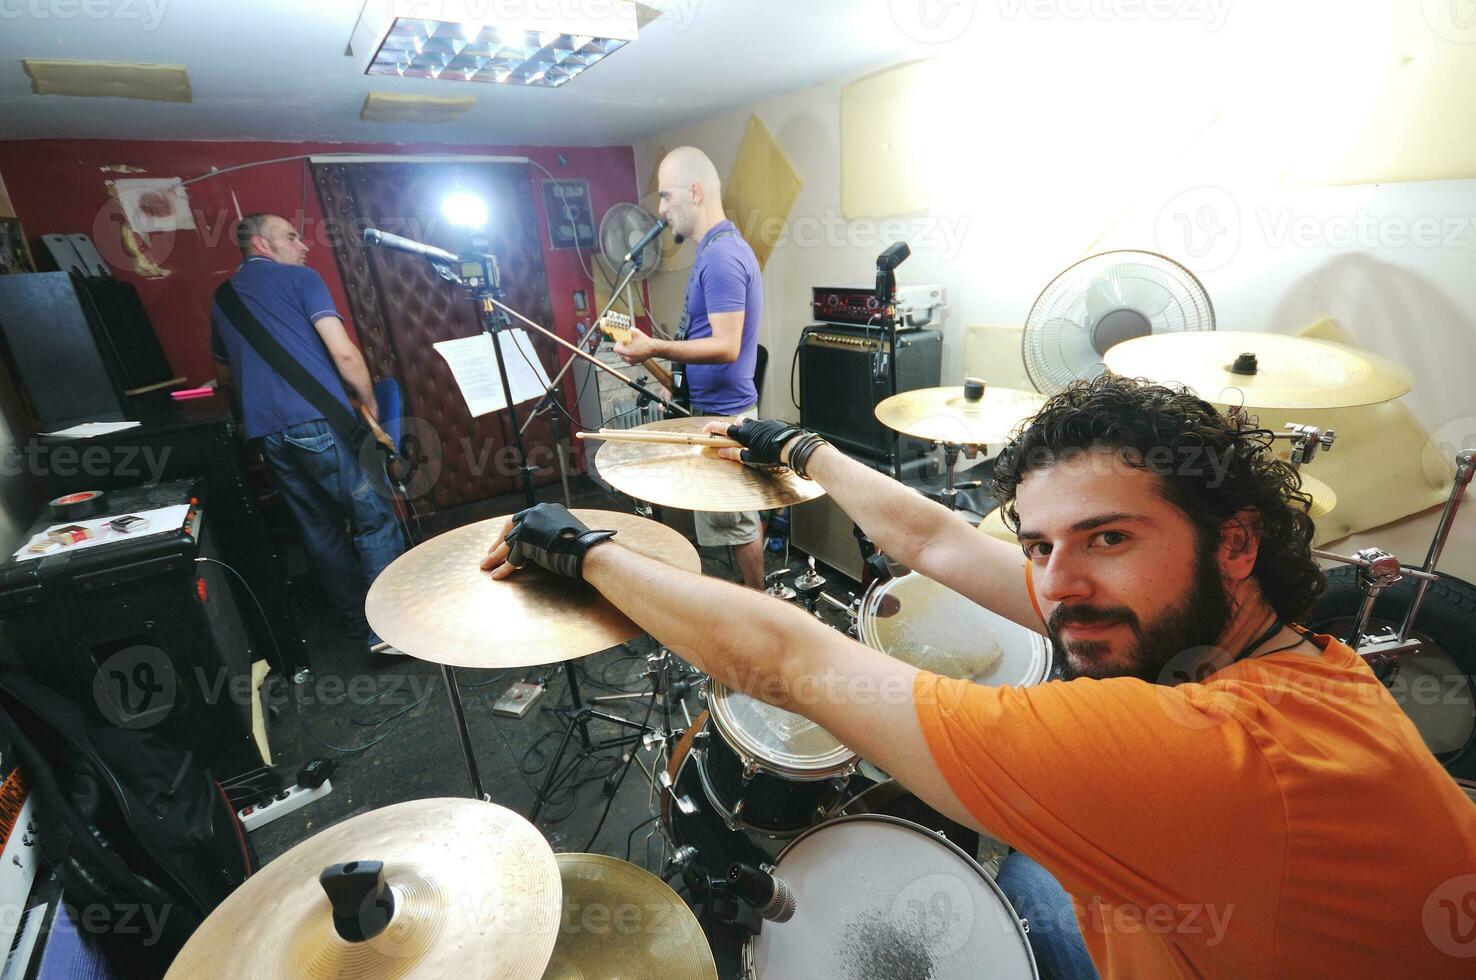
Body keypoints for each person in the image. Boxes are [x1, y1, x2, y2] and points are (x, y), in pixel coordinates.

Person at [483, 375, 1476, 977]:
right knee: (1043, 873)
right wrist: (803, 450)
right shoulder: (1286, 654)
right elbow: (933, 537)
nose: (1062, 583)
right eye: (1041, 545)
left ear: (1235, 545)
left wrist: (587, 551)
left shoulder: (1195, 750)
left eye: (1111, 536)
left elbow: (788, 659)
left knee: (1031, 881)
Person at [211, 213, 404, 659]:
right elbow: (343, 351)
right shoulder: (301, 279)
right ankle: (390, 630)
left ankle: (358, 622)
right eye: (292, 237)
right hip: (317, 424)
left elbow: (223, 372)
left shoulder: (221, 299)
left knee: (319, 531)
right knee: (373, 519)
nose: (304, 245)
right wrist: (370, 404)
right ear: (261, 243)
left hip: (267, 435)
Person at [611, 146, 766, 588]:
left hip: (724, 417)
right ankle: (754, 606)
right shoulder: (718, 249)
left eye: (665, 196)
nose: (661, 210)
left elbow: (725, 346)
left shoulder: (720, 256)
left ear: (694, 191)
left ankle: (761, 613)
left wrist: (653, 348)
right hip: (709, 408)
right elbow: (703, 336)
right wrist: (677, 384)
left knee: (736, 524)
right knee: (737, 518)